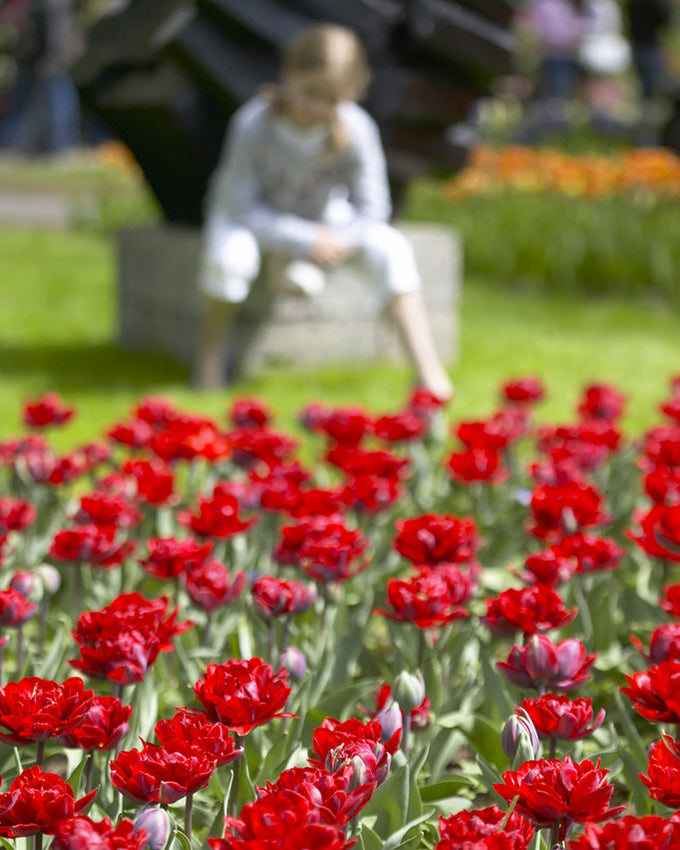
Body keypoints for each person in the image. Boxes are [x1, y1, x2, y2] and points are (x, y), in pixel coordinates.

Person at [196, 23, 454, 402]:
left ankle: (428, 373)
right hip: (253, 219)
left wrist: (335, 242)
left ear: (352, 94)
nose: (318, 107)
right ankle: (212, 359)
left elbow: (373, 208)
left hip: (322, 221)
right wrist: (301, 240)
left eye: (332, 99)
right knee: (229, 260)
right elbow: (239, 206)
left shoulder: (356, 128)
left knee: (393, 249)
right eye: (311, 93)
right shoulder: (255, 123)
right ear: (289, 76)